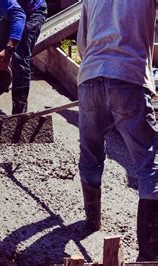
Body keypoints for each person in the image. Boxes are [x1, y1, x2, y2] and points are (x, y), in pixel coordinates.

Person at [77, 0, 157, 261]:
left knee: (90, 153)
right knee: (149, 164)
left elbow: (82, 43)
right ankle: (150, 254)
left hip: (89, 80)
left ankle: (92, 221)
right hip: (129, 77)